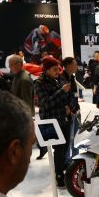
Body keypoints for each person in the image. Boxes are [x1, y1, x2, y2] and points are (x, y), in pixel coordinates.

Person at [35, 57, 77, 187]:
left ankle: (61, 170)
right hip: (51, 121)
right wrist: (61, 92)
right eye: (54, 69)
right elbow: (44, 103)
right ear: (46, 69)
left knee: (64, 148)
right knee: (58, 149)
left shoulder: (59, 79)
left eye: (58, 69)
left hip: (64, 119)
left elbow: (70, 96)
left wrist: (70, 107)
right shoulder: (39, 83)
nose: (57, 72)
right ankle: (58, 175)